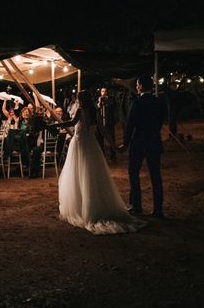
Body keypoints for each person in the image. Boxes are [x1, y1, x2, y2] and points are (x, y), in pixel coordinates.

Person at [49, 90, 146, 235]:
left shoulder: (81, 110)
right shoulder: (95, 112)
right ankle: (95, 205)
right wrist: (114, 146)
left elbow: (71, 122)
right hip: (92, 145)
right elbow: (104, 131)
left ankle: (84, 208)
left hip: (80, 145)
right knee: (92, 174)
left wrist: (54, 125)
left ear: (81, 100)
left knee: (79, 174)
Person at [124, 76, 167, 219]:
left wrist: (126, 142)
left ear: (141, 86)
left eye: (137, 85)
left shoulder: (137, 102)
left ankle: (136, 205)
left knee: (133, 172)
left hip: (139, 142)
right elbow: (161, 120)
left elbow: (130, 124)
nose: (136, 87)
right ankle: (158, 209)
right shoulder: (158, 102)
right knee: (156, 175)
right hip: (154, 141)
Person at [96, 87, 118, 163]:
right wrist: (99, 102)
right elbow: (97, 108)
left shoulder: (111, 99)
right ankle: (102, 155)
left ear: (107, 92)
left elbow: (114, 109)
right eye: (102, 91)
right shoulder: (99, 99)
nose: (104, 92)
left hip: (109, 122)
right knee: (100, 139)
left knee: (111, 138)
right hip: (101, 122)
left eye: (105, 91)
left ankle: (113, 155)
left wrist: (114, 120)